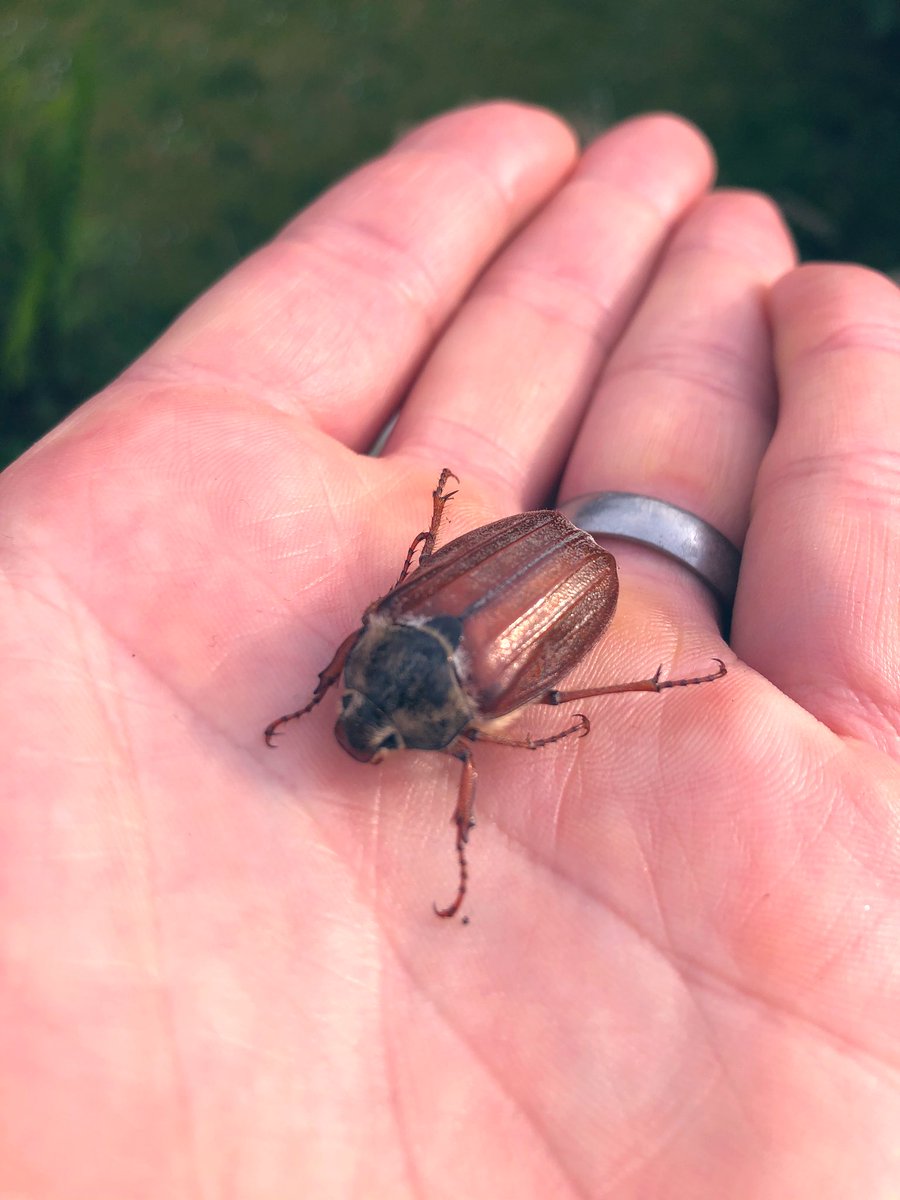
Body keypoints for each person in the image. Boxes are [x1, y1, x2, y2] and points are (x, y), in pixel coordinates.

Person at [2, 102, 897, 1197]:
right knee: (530, 716)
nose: (355, 729)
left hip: (552, 576)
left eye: (358, 721)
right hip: (528, 576)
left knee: (530, 721)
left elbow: (441, 699)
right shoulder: (405, 655)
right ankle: (648, 674)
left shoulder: (441, 701)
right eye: (361, 720)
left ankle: (654, 678)